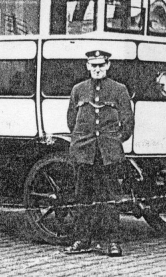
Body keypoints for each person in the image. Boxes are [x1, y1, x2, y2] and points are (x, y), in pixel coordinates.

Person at [64, 50, 134, 257]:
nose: (97, 69)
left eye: (101, 65)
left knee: (110, 198)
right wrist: (82, 140)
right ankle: (82, 240)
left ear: (108, 66)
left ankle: (112, 242)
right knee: (82, 196)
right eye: (93, 65)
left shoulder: (119, 90)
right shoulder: (78, 89)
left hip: (108, 152)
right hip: (84, 151)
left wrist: (113, 141)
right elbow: (71, 120)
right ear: (87, 66)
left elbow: (128, 122)